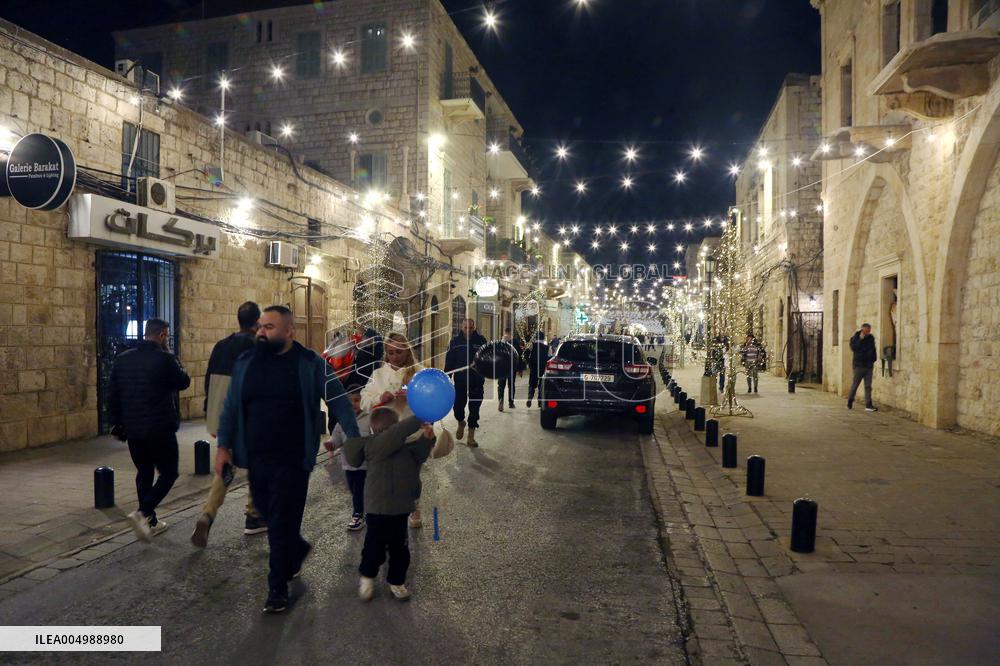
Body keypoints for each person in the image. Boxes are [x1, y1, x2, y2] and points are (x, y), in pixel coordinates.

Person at [216, 305, 359, 614]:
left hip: (294, 458)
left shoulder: (310, 364)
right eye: (260, 327)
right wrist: (223, 447)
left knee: (282, 521)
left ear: (288, 331)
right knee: (268, 515)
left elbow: (339, 402)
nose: (261, 332)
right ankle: (295, 551)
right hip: (256, 457)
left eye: (269, 327)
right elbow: (230, 406)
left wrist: (355, 438)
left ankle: (276, 587)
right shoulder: (246, 362)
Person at [191, 302, 266, 548]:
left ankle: (208, 513)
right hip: (248, 415)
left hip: (220, 413)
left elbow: (209, 380)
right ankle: (254, 516)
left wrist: (209, 412)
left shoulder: (221, 346)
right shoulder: (259, 347)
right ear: (257, 322)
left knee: (226, 462)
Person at [108, 318, 191, 542]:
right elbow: (184, 382)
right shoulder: (166, 359)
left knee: (144, 471)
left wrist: (115, 423)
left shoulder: (122, 359)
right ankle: (143, 513)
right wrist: (173, 358)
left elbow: (113, 394)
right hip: (160, 427)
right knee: (169, 473)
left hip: (133, 428)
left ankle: (150, 522)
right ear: (163, 335)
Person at [344, 409, 435, 602]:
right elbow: (395, 434)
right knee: (374, 547)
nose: (397, 433)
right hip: (378, 509)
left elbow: (419, 456)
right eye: (393, 429)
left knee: (400, 549)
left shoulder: (404, 448)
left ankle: (397, 581)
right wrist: (420, 416)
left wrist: (426, 439)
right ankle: (368, 575)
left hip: (400, 508)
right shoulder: (374, 446)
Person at [361, 333, 426, 528]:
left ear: (406, 350)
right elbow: (365, 401)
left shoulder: (420, 372)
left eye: (399, 351)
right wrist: (381, 397)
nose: (395, 356)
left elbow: (429, 403)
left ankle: (413, 505)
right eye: (390, 352)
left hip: (412, 435)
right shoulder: (378, 375)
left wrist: (413, 397)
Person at [325, 382, 370, 532]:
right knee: (354, 490)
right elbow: (336, 438)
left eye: (357, 400)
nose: (353, 404)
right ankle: (360, 512)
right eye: (349, 401)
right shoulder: (342, 420)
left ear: (364, 400)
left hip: (367, 465)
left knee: (364, 490)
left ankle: (363, 513)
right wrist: (331, 444)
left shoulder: (370, 419)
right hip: (349, 465)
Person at [444, 319, 487, 447]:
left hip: (476, 380)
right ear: (461, 327)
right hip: (460, 380)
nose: (468, 330)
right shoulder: (455, 342)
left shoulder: (481, 341)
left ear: (474, 328)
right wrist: (446, 377)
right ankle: (460, 422)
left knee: (474, 408)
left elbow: (488, 359)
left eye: (471, 328)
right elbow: (450, 361)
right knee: (458, 406)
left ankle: (471, 436)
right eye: (465, 328)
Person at [847, 323, 878, 412]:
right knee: (855, 384)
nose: (867, 333)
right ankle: (850, 401)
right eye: (866, 331)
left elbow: (873, 349)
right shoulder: (855, 338)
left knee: (868, 386)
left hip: (869, 366)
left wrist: (873, 359)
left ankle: (868, 405)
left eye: (868, 331)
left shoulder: (871, 338)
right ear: (862, 330)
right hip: (859, 365)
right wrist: (860, 339)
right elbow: (854, 348)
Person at [497, 327, 520, 412]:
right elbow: (519, 355)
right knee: (511, 385)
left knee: (501, 385)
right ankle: (511, 402)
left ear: (504, 332)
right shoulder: (515, 342)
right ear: (511, 333)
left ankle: (501, 400)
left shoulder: (500, 342)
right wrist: (520, 368)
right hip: (511, 367)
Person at [525, 330, 550, 408]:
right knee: (541, 385)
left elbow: (526, 353)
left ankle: (530, 397)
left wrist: (528, 362)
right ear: (543, 338)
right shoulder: (547, 347)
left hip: (534, 368)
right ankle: (540, 401)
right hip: (543, 368)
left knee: (532, 384)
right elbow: (549, 357)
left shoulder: (532, 345)